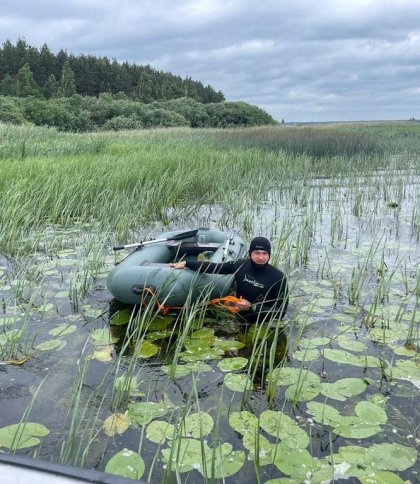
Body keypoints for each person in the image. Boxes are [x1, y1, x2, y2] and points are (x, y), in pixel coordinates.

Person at [170, 236, 289, 324]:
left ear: (269, 255)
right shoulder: (241, 265)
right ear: (250, 253)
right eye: (256, 253)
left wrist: (252, 307)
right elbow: (214, 268)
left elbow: (281, 312)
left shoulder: (278, 277)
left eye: (264, 253)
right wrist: (187, 263)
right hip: (239, 317)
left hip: (264, 322)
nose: (260, 257)